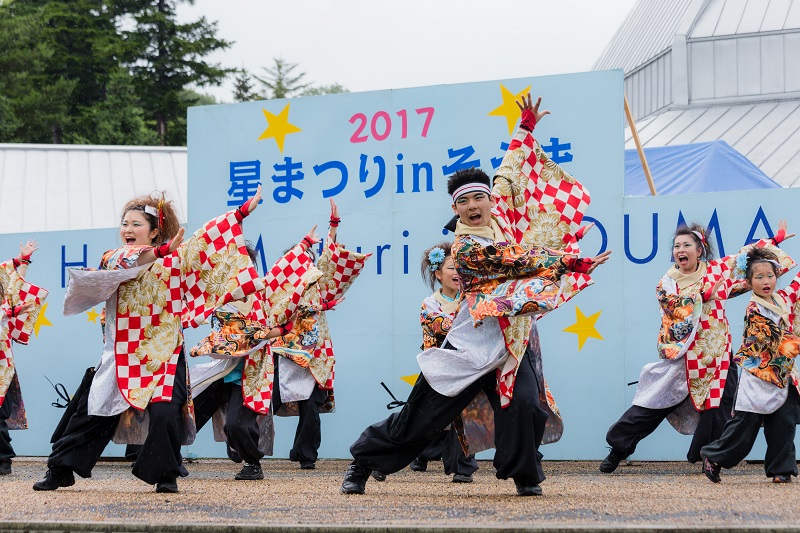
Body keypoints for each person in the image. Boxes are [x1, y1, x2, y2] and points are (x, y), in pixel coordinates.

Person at [341, 93, 611, 497]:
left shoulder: (499, 211)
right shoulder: (466, 248)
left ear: (488, 200)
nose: (472, 206)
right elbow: (515, 261)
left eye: (477, 197)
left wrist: (526, 126)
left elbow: (508, 169)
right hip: (469, 344)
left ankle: (525, 476)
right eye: (462, 201)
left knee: (525, 406)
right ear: (456, 209)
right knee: (421, 419)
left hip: (509, 343)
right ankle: (363, 462)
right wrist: (570, 262)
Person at [33, 188, 264, 493]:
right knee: (94, 411)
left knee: (167, 413)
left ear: (155, 231)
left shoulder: (176, 261)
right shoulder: (114, 259)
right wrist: (159, 252)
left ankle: (165, 474)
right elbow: (123, 261)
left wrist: (240, 213)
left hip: (164, 351)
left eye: (136, 224)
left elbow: (207, 243)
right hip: (123, 351)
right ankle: (61, 469)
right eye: (124, 223)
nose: (127, 230)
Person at [600, 222, 793, 473]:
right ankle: (619, 448)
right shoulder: (668, 281)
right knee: (654, 403)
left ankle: (709, 458)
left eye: (686, 245)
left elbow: (743, 258)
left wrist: (774, 240)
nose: (681, 250)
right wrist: (700, 296)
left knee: (721, 406)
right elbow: (671, 307)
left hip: (717, 353)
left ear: (699, 250)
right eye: (677, 246)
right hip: (685, 354)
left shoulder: (716, 270)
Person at [189, 233, 321, 481]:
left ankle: (252, 462)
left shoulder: (261, 294)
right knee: (184, 413)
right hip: (220, 368)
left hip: (249, 371)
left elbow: (283, 274)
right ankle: (166, 459)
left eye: (242, 263)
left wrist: (303, 244)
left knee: (236, 424)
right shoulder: (219, 296)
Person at [270, 199, 370, 470]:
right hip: (286, 348)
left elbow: (331, 260)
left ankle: (305, 455)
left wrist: (334, 225)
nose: (308, 263)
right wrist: (318, 305)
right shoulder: (281, 287)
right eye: (302, 257)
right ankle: (243, 440)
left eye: (309, 259)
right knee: (268, 399)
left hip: (315, 350)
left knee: (311, 405)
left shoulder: (317, 281)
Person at [377, 242, 479, 483]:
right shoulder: (430, 304)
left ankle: (464, 467)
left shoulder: (471, 300)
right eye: (451, 268)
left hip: (466, 368)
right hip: (438, 370)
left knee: (464, 414)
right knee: (417, 419)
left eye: (460, 268)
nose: (457, 273)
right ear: (438, 274)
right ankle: (382, 459)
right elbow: (449, 327)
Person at [701, 245, 800, 484]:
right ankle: (713, 457)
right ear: (749, 281)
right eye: (759, 277)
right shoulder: (754, 307)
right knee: (744, 429)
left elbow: (797, 286)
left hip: (781, 374)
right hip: (758, 375)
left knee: (784, 422)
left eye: (770, 276)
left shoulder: (782, 298)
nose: (766, 281)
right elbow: (769, 337)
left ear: (776, 276)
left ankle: (781, 469)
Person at [0, 240, 48, 475]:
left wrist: (24, 261)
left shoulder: (5, 304)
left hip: (1, 366)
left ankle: (2, 461)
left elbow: (13, 290)